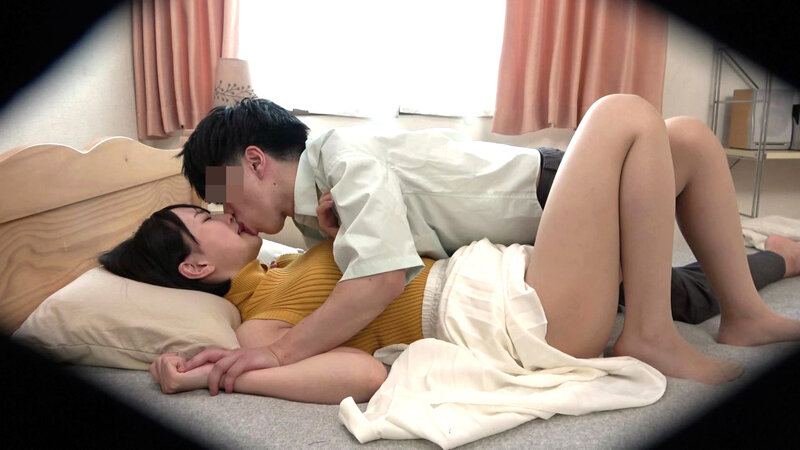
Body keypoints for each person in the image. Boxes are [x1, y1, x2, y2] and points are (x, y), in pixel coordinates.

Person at [101, 95, 800, 401]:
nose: (232, 216)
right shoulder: (308, 230)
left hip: (544, 197)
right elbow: (382, 273)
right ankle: (663, 327)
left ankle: (738, 311)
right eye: (215, 216)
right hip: (527, 255)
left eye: (224, 201)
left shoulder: (340, 157)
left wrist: (279, 349)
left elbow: (382, 274)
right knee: (651, 131)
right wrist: (253, 359)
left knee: (676, 136)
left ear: (255, 161)